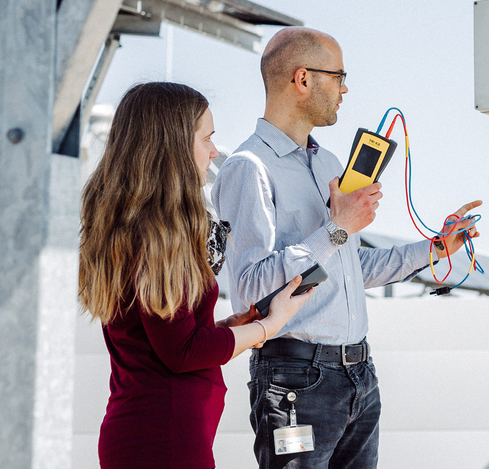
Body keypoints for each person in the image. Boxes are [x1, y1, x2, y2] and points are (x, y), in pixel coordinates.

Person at [212, 27, 480, 469]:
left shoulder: (329, 164)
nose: (345, 87)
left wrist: (436, 248)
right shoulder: (248, 168)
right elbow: (248, 287)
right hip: (295, 378)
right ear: (302, 80)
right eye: (338, 75)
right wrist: (337, 227)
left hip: (359, 375)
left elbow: (346, 266)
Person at [78, 82, 315, 469]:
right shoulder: (160, 233)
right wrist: (270, 326)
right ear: (170, 145)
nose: (214, 151)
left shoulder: (136, 226)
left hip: (149, 431)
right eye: (206, 138)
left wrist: (226, 326)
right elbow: (182, 352)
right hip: (164, 439)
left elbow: (164, 334)